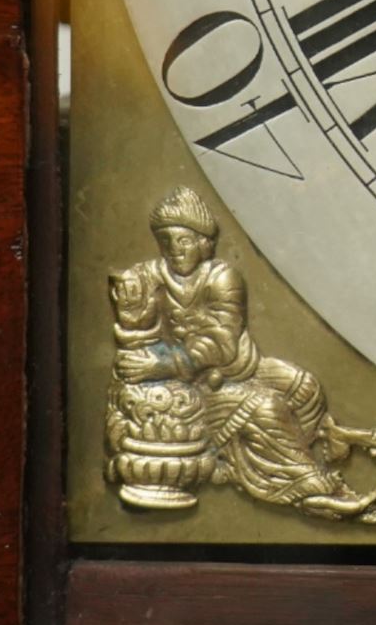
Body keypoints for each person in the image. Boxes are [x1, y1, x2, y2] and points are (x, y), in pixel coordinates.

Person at [109, 185, 362, 515]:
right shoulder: (151, 274)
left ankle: (298, 447)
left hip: (234, 367)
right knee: (266, 407)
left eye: (184, 240)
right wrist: (131, 303)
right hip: (192, 385)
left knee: (305, 387)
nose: (174, 249)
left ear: (205, 243)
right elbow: (131, 305)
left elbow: (222, 342)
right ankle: (303, 480)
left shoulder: (222, 276)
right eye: (166, 241)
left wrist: (170, 362)